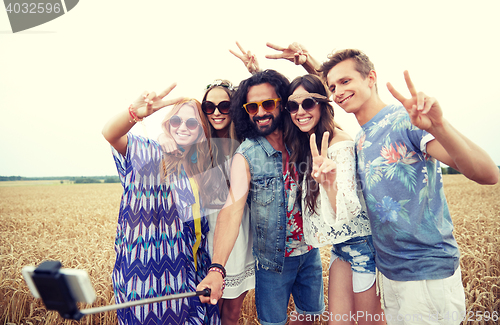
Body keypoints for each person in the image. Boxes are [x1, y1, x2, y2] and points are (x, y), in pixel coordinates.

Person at [317, 49, 499, 324]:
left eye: (345, 82)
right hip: (390, 273)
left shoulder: (406, 121)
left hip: (426, 273)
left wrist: (439, 125)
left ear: (371, 78)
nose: (337, 92)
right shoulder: (362, 138)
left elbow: (487, 173)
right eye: (332, 87)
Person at [197, 69, 325, 325]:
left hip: (311, 253)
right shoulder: (246, 154)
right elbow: (232, 209)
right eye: (252, 107)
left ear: (283, 103)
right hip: (273, 263)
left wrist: (306, 62)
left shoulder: (303, 137)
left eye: (268, 103)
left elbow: (324, 102)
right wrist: (217, 268)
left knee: (312, 318)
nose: (260, 112)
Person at [102, 84, 221, 325]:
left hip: (191, 279)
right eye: (176, 121)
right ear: (168, 124)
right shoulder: (149, 154)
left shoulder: (201, 169)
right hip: (146, 284)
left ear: (200, 131)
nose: (183, 127)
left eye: (192, 123)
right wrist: (134, 114)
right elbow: (111, 134)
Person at [284, 73, 384, 325]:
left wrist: (329, 184)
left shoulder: (338, 144)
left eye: (307, 103)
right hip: (342, 248)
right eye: (292, 105)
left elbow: (349, 207)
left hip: (364, 248)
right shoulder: (311, 142)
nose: (300, 111)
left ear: (323, 104)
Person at [160, 80, 255, 325]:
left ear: (235, 108)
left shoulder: (247, 142)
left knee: (232, 313)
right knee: (209, 310)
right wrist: (163, 135)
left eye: (224, 106)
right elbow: (172, 138)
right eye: (209, 106)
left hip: (238, 229)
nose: (216, 112)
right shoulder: (198, 142)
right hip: (203, 233)